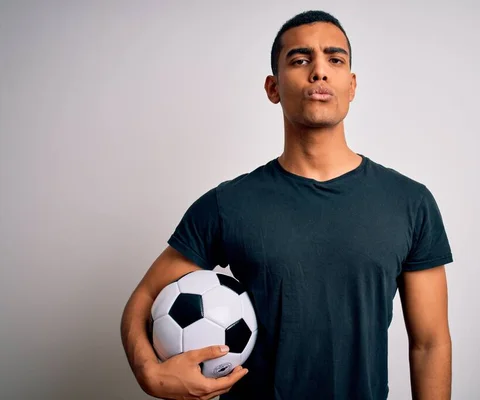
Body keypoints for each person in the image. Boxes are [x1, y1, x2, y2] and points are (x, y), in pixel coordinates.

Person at [121, 9, 454, 400]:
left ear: (352, 84)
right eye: (300, 60)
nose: (319, 71)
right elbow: (142, 300)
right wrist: (151, 376)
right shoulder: (228, 204)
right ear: (273, 87)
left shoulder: (410, 202)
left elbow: (430, 344)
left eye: (335, 59)